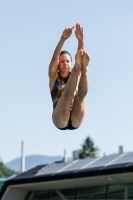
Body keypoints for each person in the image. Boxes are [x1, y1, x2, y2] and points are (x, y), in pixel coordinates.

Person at [49, 23, 90, 130]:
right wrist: (63, 39)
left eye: (68, 61)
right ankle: (80, 68)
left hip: (76, 116)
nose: (65, 63)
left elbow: (81, 54)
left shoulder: (74, 75)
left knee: (80, 97)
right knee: (67, 95)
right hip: (60, 119)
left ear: (71, 63)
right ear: (57, 65)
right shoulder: (53, 76)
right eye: (62, 61)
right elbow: (54, 58)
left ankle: (84, 70)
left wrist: (81, 40)